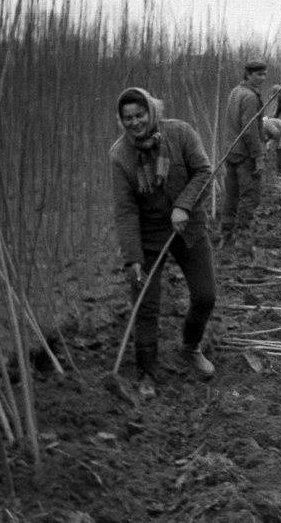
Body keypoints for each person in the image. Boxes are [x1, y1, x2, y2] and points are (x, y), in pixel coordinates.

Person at [110, 87, 217, 395]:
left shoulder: (180, 133)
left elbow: (204, 172)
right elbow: (125, 210)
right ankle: (146, 373)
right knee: (145, 306)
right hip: (148, 235)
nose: (135, 122)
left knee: (205, 296)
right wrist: (133, 257)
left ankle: (190, 347)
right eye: (127, 118)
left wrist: (183, 206)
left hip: (188, 227)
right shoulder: (120, 156)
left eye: (140, 115)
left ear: (152, 112)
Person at [221, 59, 267, 271]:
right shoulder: (250, 97)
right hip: (245, 154)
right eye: (258, 74)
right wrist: (258, 156)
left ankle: (226, 235)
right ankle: (241, 236)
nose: (262, 78)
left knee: (232, 195)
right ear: (248, 74)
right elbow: (250, 131)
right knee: (251, 196)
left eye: (264, 74)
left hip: (231, 152)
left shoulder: (235, 92)